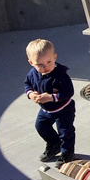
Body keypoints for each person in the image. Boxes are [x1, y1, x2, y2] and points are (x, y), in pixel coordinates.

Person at [24, 39, 75, 167]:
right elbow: (27, 85)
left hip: (64, 109)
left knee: (65, 131)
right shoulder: (33, 74)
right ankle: (54, 144)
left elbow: (68, 92)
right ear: (31, 63)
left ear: (54, 57)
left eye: (49, 62)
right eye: (40, 64)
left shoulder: (61, 75)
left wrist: (52, 97)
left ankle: (67, 152)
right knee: (41, 126)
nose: (45, 67)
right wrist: (31, 94)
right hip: (46, 109)